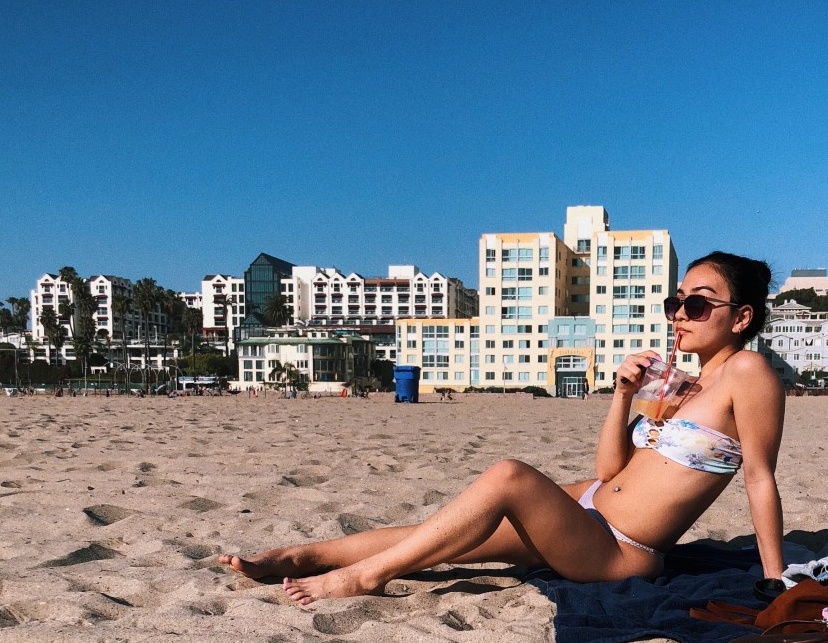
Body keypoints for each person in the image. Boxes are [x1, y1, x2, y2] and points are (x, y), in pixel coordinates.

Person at [220, 252, 785, 604]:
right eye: (675, 302)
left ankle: (366, 577)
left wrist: (774, 576)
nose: (680, 314)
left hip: (620, 548)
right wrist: (620, 395)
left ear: (741, 317)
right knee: (440, 536)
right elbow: (610, 470)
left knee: (508, 476)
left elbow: (759, 477)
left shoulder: (748, 373)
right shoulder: (682, 385)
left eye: (698, 305)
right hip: (588, 509)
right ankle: (303, 555)